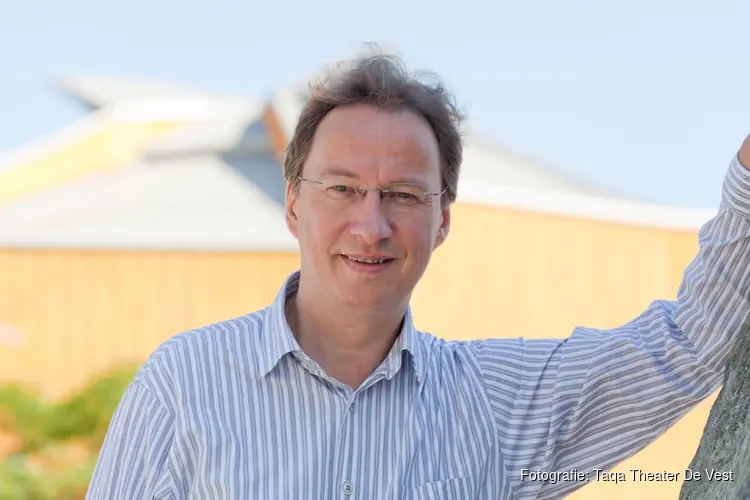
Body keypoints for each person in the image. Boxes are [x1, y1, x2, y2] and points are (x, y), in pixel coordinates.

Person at [86, 48, 750, 500]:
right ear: (293, 203)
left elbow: (686, 349)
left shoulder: (497, 406)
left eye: (403, 196)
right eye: (342, 190)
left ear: (442, 221)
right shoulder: (184, 385)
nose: (371, 226)